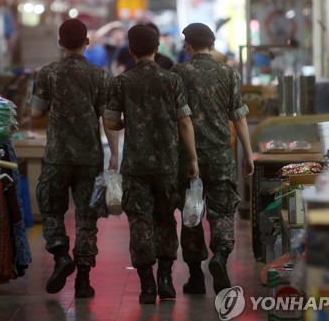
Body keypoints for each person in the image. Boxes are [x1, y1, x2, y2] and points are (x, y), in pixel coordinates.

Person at [103, 24, 199, 304]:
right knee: (166, 219)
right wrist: (192, 158)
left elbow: (109, 121)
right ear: (158, 48)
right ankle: (166, 280)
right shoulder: (172, 80)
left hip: (136, 166)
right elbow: (184, 121)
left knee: (140, 222)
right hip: (167, 165)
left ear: (131, 50)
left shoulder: (122, 82)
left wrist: (125, 122)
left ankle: (146, 285)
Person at [30, 19, 119, 297]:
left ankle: (60, 255)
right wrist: (114, 154)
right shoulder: (100, 76)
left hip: (57, 156)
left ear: (60, 43)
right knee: (86, 217)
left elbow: (35, 113)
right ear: (87, 42)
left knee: (52, 208)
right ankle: (83, 280)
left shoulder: (48, 74)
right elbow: (108, 119)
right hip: (89, 158)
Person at [170, 23, 254, 295]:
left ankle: (195, 278)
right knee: (223, 213)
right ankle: (220, 258)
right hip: (220, 154)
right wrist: (248, 154)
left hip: (187, 158)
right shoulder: (228, 74)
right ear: (213, 45)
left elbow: (175, 120)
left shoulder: (177, 73)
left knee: (191, 214)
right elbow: (239, 118)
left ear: (188, 46)